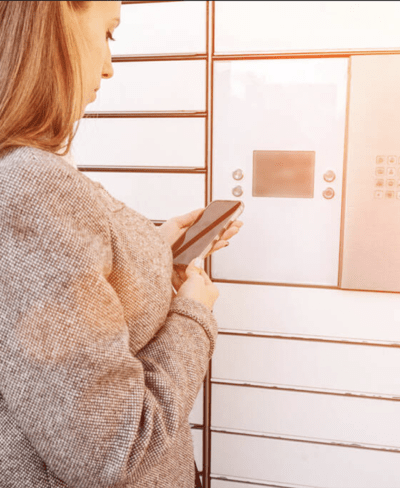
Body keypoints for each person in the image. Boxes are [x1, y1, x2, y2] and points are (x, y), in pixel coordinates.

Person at [0, 1, 243, 487]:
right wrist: (194, 315)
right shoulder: (31, 186)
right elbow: (109, 449)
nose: (109, 67)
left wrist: (156, 253)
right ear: (57, 19)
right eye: (109, 34)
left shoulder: (22, 175)